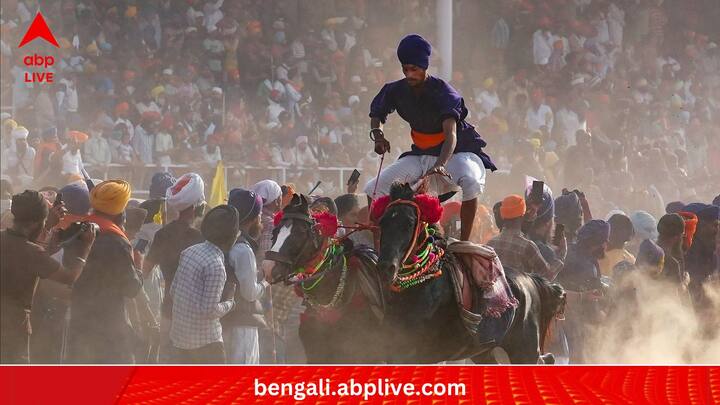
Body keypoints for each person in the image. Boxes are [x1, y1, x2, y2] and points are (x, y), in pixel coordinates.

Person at [364, 34, 496, 241]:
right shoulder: (395, 90)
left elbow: (450, 134)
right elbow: (377, 114)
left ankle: (463, 242)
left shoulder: (444, 92)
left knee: (470, 180)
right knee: (373, 188)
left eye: (414, 69)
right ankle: (381, 246)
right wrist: (378, 135)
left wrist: (441, 164)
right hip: (421, 155)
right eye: (405, 69)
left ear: (425, 67)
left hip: (455, 154)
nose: (409, 74)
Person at [1, 191, 95, 363]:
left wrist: (47, 235)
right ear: (36, 222)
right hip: (14, 328)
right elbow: (69, 277)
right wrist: (85, 249)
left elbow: (25, 254)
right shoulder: (32, 253)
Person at [68, 180, 143, 363]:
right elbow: (131, 289)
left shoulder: (77, 231)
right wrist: (138, 267)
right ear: (120, 213)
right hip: (109, 327)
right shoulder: (117, 242)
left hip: (79, 321)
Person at [143, 173, 206, 361]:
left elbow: (144, 271)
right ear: (196, 206)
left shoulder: (163, 234)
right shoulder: (201, 237)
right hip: (196, 314)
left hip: (168, 309)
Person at [169, 205, 239, 364]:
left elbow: (173, 292)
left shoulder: (190, 251)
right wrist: (230, 303)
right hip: (206, 346)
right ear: (232, 237)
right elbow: (209, 310)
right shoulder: (216, 266)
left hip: (180, 340)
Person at [224, 188, 270, 363]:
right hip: (242, 325)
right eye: (259, 215)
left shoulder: (224, 240)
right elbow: (249, 293)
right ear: (252, 219)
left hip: (224, 321)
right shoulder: (243, 249)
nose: (261, 220)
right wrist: (266, 281)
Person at [555, 219, 610, 364]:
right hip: (575, 327)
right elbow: (591, 301)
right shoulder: (587, 267)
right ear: (597, 243)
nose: (606, 245)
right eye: (605, 241)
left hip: (558, 323)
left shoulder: (570, 250)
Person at [487, 195, 562, 280]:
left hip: (497, 292)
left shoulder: (490, 244)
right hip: (518, 292)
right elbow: (547, 276)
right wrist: (561, 256)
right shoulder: (527, 246)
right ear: (523, 216)